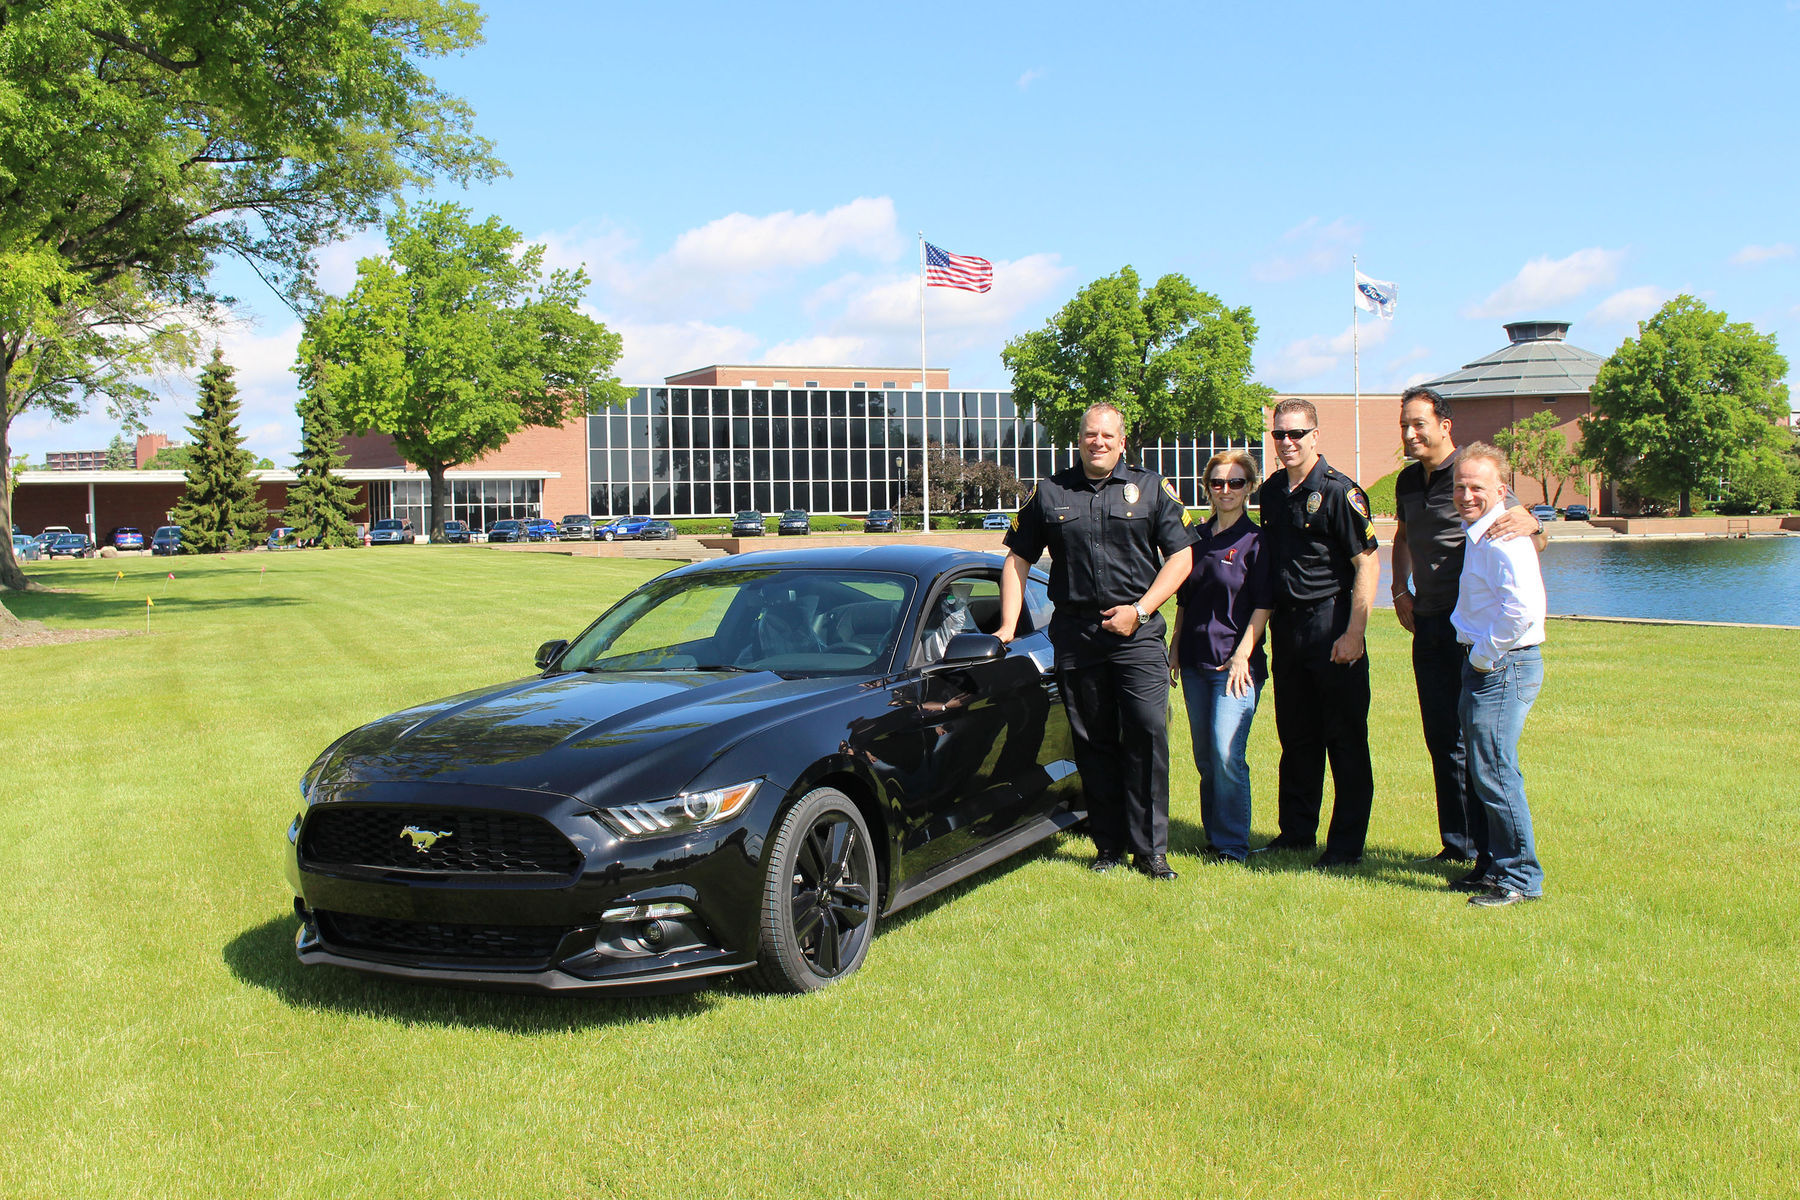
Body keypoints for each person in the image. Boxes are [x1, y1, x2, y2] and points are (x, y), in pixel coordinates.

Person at [995, 403, 1194, 880]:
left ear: (1122, 441)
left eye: (1106, 435)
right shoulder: (1050, 491)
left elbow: (1181, 557)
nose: (1097, 442)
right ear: (1079, 440)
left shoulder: (1150, 488)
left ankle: (1151, 850)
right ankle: (1107, 845)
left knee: (1146, 733)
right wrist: (1007, 626)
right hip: (1078, 635)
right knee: (1093, 741)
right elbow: (1016, 560)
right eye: (1089, 435)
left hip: (1138, 633)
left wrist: (1141, 610)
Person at [1392, 385, 1544, 872]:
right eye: (1404, 424)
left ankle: (1489, 851)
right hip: (1429, 622)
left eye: (1419, 423)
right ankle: (1457, 842)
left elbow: (1522, 526)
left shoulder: (1472, 475)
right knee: (1441, 737)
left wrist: (1537, 527)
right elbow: (1403, 535)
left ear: (1444, 426)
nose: (1410, 433)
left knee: (1475, 743)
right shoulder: (1407, 482)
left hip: (1473, 630)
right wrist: (1400, 588)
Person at [1253, 397, 1378, 869]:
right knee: (1297, 737)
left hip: (1332, 623)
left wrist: (1355, 632)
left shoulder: (1340, 492)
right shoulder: (1270, 493)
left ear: (1315, 436)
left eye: (1296, 434)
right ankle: (1296, 834)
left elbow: (1366, 560)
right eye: (1279, 434)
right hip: (1289, 628)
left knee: (1345, 740)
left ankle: (1345, 846)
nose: (1287, 443)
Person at [1449, 443, 1547, 907]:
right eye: (1460, 486)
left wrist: (1484, 657)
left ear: (1502, 490)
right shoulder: (1481, 533)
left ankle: (1519, 878)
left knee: (1495, 771)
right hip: (1488, 663)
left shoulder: (1505, 538)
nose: (1466, 494)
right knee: (1483, 770)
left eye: (1477, 487)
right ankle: (1493, 866)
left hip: (1503, 665)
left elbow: (1521, 612)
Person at [1168, 449, 1273, 864]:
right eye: (1217, 483)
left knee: (1228, 753)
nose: (1226, 490)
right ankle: (1214, 837)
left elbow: (1264, 605)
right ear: (1206, 488)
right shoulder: (1195, 539)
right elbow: (1184, 596)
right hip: (1195, 660)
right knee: (1206, 759)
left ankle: (1232, 845)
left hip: (1236, 665)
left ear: (1250, 488)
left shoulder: (1258, 540)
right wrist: (1175, 645)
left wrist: (1242, 655)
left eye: (1235, 483)